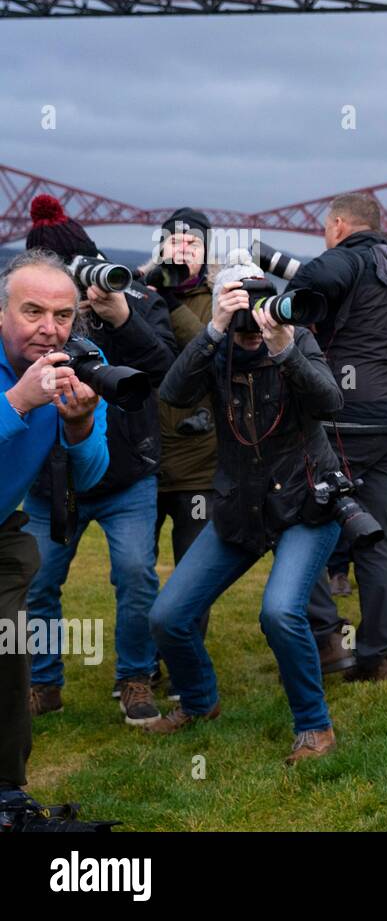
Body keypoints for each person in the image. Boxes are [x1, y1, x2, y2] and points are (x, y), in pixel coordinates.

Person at [146, 265, 344, 764]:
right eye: (239, 304)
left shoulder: (295, 338)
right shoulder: (216, 349)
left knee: (279, 612)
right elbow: (171, 395)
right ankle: (198, 703)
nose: (252, 319)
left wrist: (285, 349)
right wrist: (212, 329)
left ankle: (315, 728)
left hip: (305, 502)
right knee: (168, 616)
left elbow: (330, 401)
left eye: (259, 302)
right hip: (240, 506)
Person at [21, 196, 178, 725]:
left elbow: (167, 372)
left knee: (135, 575)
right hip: (50, 481)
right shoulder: (28, 322)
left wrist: (123, 316)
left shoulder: (132, 299)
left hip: (126, 474)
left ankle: (135, 677)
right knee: (38, 581)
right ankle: (43, 682)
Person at [292, 194, 387, 681]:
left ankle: (326, 637)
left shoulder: (347, 257)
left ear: (340, 226)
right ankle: (377, 655)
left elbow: (306, 284)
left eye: (326, 230)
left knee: (297, 522)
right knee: (375, 536)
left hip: (346, 419)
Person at [0, 250, 108, 811]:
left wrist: (79, 420)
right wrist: (19, 400)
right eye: (33, 311)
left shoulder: (78, 363)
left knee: (7, 650)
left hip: (2, 533)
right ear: (1, 314)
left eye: (63, 315)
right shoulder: (24, 379)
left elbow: (90, 475)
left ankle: (6, 791)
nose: (49, 329)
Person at [147, 208, 217, 570]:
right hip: (146, 461)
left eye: (194, 243)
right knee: (136, 569)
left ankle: (187, 631)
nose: (184, 249)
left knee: (192, 573)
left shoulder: (223, 299)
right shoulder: (137, 295)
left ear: (206, 253)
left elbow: (210, 354)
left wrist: (170, 303)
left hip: (199, 467)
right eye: (175, 240)